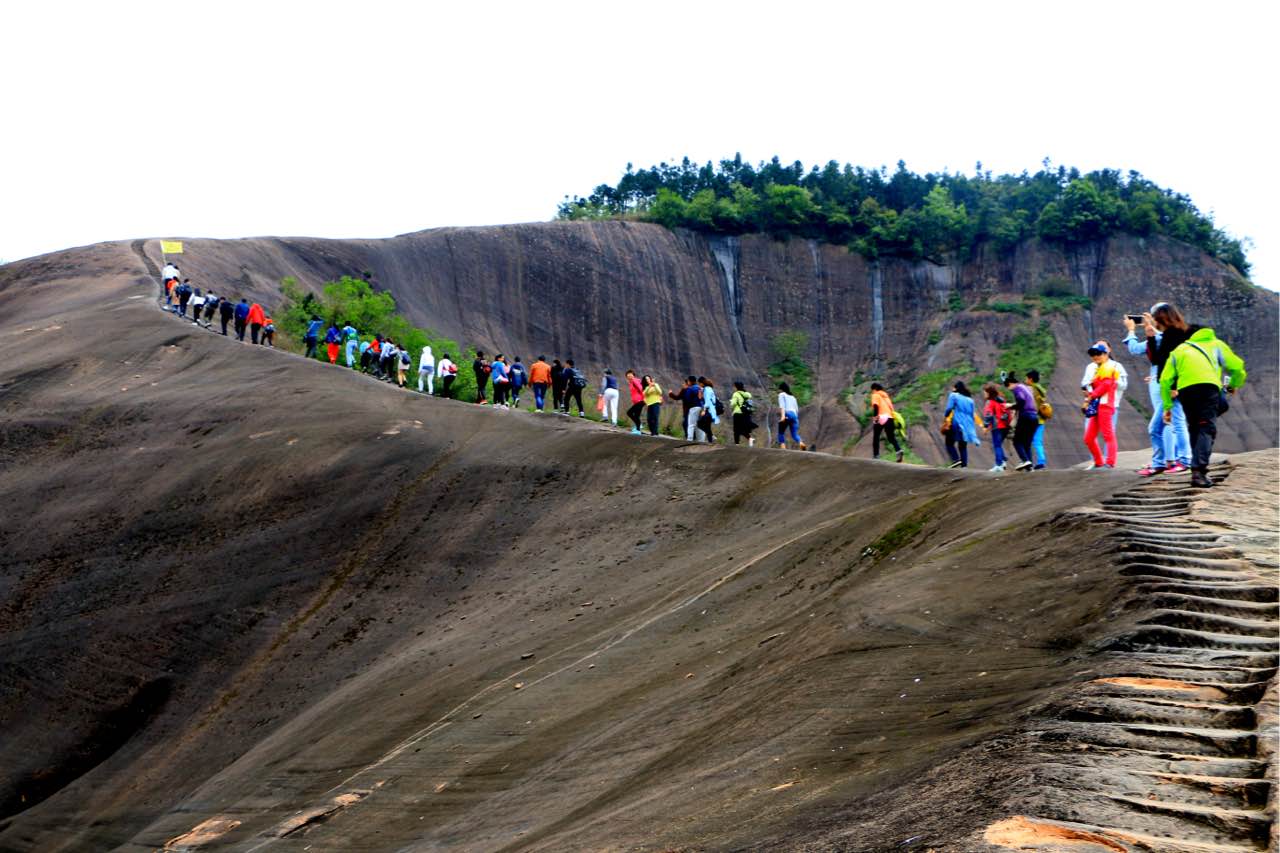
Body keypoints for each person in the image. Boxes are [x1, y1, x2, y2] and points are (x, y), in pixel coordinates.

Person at [1160, 325, 1247, 489]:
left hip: (1185, 391)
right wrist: (1233, 385)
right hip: (1208, 390)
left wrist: (1167, 407)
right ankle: (1198, 472)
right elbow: (1238, 368)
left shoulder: (1180, 350)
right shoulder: (1216, 344)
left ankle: (1197, 468)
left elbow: (1165, 381)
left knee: (1195, 427)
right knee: (1206, 427)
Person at [1124, 305, 1193, 477]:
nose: (1152, 320)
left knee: (1171, 424)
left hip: (1171, 386)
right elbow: (1156, 358)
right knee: (1164, 425)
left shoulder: (1176, 336)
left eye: (1154, 317)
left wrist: (1174, 386)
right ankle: (1166, 462)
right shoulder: (1165, 336)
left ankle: (1179, 460)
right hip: (1164, 383)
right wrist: (1149, 333)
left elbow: (1178, 362)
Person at [1081, 340, 1127, 462]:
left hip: (1106, 405)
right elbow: (1086, 384)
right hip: (1095, 405)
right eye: (1093, 354)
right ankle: (1098, 462)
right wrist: (1088, 393)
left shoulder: (1111, 368)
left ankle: (1110, 462)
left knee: (1108, 435)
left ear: (1106, 353)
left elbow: (1106, 385)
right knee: (1089, 438)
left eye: (1098, 353)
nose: (1095, 356)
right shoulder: (1094, 368)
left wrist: (1092, 395)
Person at [1004, 372, 1038, 471]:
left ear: (1010, 383)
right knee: (1026, 443)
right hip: (1034, 417)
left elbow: (1021, 400)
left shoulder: (1017, 388)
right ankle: (1030, 467)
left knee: (1017, 441)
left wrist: (1011, 406)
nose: (1009, 389)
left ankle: (1025, 460)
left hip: (1025, 416)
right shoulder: (1025, 387)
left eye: (1008, 386)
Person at [942, 381, 980, 468]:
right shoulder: (970, 400)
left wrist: (946, 416)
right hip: (967, 425)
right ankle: (964, 465)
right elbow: (971, 414)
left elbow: (949, 408)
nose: (952, 389)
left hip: (956, 422)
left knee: (949, 443)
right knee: (963, 445)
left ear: (956, 388)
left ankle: (955, 459)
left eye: (953, 388)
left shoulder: (953, 395)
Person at [869, 382, 903, 462]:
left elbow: (876, 406)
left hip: (881, 417)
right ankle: (898, 450)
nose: (872, 392)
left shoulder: (875, 395)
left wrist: (876, 417)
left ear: (874, 389)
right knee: (891, 437)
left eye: (872, 390)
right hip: (890, 418)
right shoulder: (886, 398)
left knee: (876, 437)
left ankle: (876, 455)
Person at [980, 383, 1011, 472]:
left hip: (997, 426)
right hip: (1005, 426)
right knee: (998, 445)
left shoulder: (990, 402)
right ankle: (1003, 461)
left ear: (989, 393)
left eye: (985, 392)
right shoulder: (1001, 400)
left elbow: (988, 415)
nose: (984, 394)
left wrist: (985, 426)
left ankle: (999, 465)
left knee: (997, 445)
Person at [1025, 369, 1049, 470]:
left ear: (1030, 379)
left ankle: (1027, 461)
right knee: (1037, 441)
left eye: (1026, 378)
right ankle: (1041, 460)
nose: (1025, 380)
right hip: (1041, 419)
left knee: (1026, 441)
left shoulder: (1031, 389)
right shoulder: (1041, 389)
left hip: (1033, 418)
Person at [777, 382, 804, 449]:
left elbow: (782, 406)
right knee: (795, 435)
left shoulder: (781, 394)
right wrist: (796, 420)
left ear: (782, 389)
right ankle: (802, 445)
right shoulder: (793, 397)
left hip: (787, 414)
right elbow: (797, 409)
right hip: (795, 416)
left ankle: (783, 450)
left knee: (781, 432)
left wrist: (783, 416)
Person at [730, 381, 757, 446]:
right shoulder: (747, 394)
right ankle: (749, 438)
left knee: (736, 429)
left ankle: (737, 444)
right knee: (742, 428)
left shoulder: (736, 394)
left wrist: (732, 402)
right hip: (745, 413)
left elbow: (732, 404)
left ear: (736, 387)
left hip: (738, 413)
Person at [697, 377, 720, 442]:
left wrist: (704, 410)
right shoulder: (708, 389)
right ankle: (710, 440)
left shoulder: (706, 389)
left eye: (699, 383)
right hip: (712, 410)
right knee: (707, 426)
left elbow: (707, 401)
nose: (699, 385)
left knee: (699, 423)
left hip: (709, 410)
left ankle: (711, 436)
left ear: (701, 383)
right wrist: (701, 396)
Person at [624, 370, 645, 434]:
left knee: (629, 413)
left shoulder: (634, 380)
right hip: (637, 401)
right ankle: (637, 427)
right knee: (636, 415)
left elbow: (641, 389)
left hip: (640, 401)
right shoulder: (631, 382)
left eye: (630, 375)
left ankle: (638, 429)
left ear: (633, 375)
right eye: (628, 376)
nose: (629, 376)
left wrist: (644, 398)